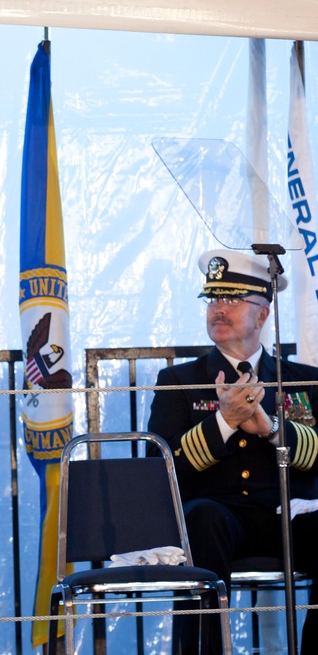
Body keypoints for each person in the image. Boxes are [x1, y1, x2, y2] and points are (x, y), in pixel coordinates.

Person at [148, 249, 318, 654]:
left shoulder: (301, 381)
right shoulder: (179, 380)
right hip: (217, 518)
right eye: (213, 299)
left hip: (285, 516)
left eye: (231, 299)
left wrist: (271, 428)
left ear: (262, 315)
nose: (218, 310)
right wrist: (223, 422)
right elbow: (162, 468)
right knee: (203, 520)